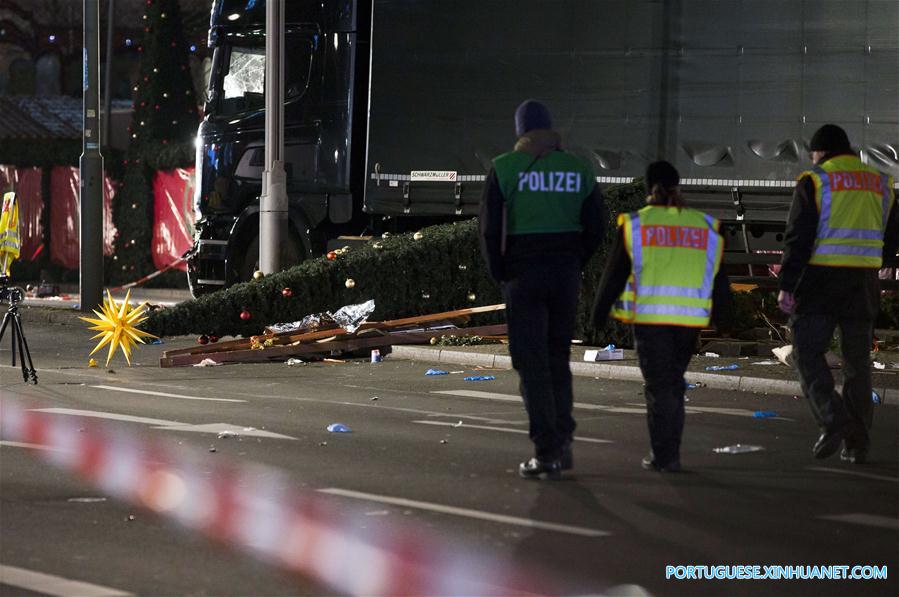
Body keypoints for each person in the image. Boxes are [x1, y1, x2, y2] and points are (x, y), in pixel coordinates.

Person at [479, 99, 607, 479]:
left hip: (523, 276)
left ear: (520, 131)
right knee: (557, 358)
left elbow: (488, 230)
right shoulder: (579, 168)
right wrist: (573, 261)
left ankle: (547, 450)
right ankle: (563, 441)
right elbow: (598, 225)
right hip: (565, 274)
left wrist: (500, 272)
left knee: (531, 364)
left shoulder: (504, 168)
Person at [592, 161, 732, 472]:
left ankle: (664, 455)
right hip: (687, 323)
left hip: (651, 322)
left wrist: (599, 315)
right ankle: (669, 453)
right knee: (672, 384)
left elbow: (614, 275)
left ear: (648, 189)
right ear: (678, 186)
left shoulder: (636, 224)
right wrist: (725, 317)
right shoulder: (704, 225)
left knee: (659, 388)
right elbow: (719, 277)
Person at [777, 124, 898, 464]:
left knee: (806, 352)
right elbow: (892, 235)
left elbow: (797, 238)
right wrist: (878, 261)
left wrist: (786, 284)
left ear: (821, 152)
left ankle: (834, 418)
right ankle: (857, 445)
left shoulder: (816, 180)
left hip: (821, 281)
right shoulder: (881, 182)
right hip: (863, 283)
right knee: (858, 364)